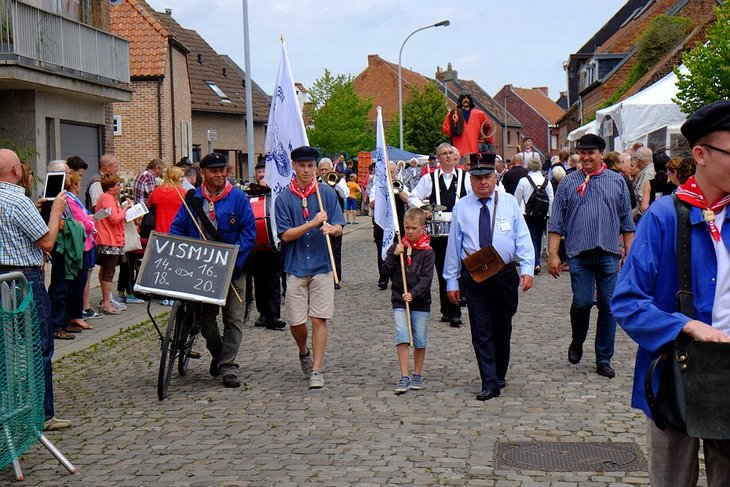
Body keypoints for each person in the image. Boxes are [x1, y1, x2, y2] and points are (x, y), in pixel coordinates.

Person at [611, 99, 730, 486]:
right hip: (674, 375)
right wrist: (686, 326)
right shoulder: (663, 217)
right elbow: (627, 301)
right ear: (701, 154)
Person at [444, 153, 534, 400]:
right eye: (477, 178)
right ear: (470, 181)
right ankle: (489, 380)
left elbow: (522, 238)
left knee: (502, 326)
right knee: (481, 329)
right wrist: (451, 281)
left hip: (504, 274)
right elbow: (454, 247)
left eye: (487, 177)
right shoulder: (462, 207)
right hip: (475, 276)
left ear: (496, 177)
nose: (483, 182)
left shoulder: (508, 203)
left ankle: (499, 372)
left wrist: (527, 269)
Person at [547, 134, 635, 378]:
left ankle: (603, 357)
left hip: (608, 252)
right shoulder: (568, 182)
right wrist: (553, 254)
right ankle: (577, 340)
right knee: (583, 302)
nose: (586, 157)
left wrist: (630, 253)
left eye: (591, 153)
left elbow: (627, 222)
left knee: (608, 306)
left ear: (601, 154)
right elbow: (556, 222)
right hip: (579, 253)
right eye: (582, 153)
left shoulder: (616, 181)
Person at [169, 152, 256, 388]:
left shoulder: (238, 198)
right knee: (205, 319)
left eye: (222, 170)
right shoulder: (192, 199)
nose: (219, 175)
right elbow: (177, 228)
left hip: (233, 269)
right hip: (201, 272)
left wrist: (233, 260)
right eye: (214, 171)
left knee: (234, 319)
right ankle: (218, 352)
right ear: (203, 173)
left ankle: (228, 367)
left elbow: (249, 232)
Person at [0, 148, 71, 430]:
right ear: (17, 171)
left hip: (2, 278)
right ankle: (43, 414)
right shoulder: (18, 200)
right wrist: (54, 212)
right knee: (38, 346)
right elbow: (47, 242)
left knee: (5, 348)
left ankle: (10, 407)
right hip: (24, 280)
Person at [275, 146, 345, 389]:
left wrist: (332, 229)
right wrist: (313, 223)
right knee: (296, 323)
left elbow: (339, 225)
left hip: (322, 264)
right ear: (294, 167)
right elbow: (285, 235)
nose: (306, 170)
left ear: (316, 167)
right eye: (302, 166)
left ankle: (317, 368)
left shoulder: (326, 193)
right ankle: (303, 350)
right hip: (294, 266)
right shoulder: (283, 198)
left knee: (319, 319)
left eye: (310, 166)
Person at [408, 142, 471, 327]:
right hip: (438, 233)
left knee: (459, 269)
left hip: (460, 230)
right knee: (443, 270)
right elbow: (413, 196)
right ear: (439, 158)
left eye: (451, 153)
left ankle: (455, 309)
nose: (448, 156)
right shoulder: (430, 178)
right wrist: (422, 209)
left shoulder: (465, 177)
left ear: (456, 156)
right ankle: (447, 309)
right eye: (444, 153)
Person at [382, 208, 435, 394]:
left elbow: (427, 279)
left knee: (419, 339)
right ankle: (404, 375)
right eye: (407, 228)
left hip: (420, 301)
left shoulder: (428, 252)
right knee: (402, 336)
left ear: (422, 228)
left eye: (414, 228)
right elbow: (384, 273)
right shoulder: (398, 247)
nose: (410, 232)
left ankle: (417, 373)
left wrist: (414, 293)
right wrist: (394, 255)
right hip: (399, 299)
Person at [246, 162, 286, 331]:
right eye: (259, 172)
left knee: (273, 279)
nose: (261, 174)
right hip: (256, 245)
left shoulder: (278, 191)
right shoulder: (250, 192)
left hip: (274, 242)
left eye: (264, 171)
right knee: (259, 280)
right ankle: (263, 314)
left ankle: (274, 315)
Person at [95, 174, 133, 314]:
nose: (120, 187)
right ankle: (106, 302)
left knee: (105, 270)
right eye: (117, 185)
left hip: (107, 238)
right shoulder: (108, 198)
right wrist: (125, 209)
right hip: (109, 239)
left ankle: (106, 300)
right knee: (109, 272)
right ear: (110, 187)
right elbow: (114, 219)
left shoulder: (105, 198)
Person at [514, 154, 554, 274]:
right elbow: (551, 199)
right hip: (543, 214)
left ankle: (535, 263)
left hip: (527, 213)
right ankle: (536, 261)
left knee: (531, 237)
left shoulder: (524, 181)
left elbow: (517, 199)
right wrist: (551, 215)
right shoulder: (547, 181)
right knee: (538, 237)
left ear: (528, 167)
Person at [317, 157, 348, 289]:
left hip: (335, 220)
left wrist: (334, 183)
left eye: (326, 169)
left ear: (331, 169)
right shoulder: (315, 183)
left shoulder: (338, 180)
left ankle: (336, 278)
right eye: (321, 169)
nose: (324, 172)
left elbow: (345, 194)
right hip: (319, 221)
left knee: (336, 250)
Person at [148, 166, 185, 234]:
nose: (183, 179)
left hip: (159, 232)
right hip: (177, 232)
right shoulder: (183, 193)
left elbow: (149, 205)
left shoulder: (156, 192)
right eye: (181, 177)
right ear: (175, 178)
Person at [632, 146, 655, 221]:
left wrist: (632, 216)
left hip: (642, 217)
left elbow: (642, 198)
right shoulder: (647, 171)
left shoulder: (648, 173)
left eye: (635, 158)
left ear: (638, 159)